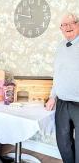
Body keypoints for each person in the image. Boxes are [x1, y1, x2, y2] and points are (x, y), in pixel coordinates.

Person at [46, 13, 79, 163]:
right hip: (62, 102)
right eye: (64, 25)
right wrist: (53, 96)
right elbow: (57, 73)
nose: (67, 27)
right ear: (61, 29)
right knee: (63, 142)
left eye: (71, 23)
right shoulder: (60, 46)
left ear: (78, 24)